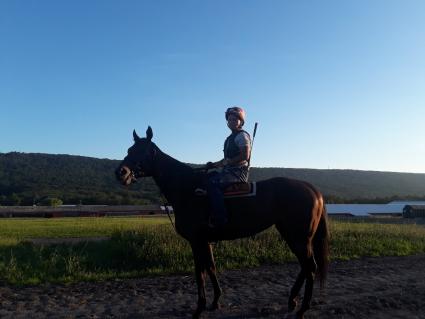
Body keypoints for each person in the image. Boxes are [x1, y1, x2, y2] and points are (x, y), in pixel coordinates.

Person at [205, 106, 252, 228]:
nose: (231, 122)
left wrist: (228, 162)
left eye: (234, 119)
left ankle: (220, 218)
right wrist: (213, 165)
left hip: (238, 172)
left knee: (212, 183)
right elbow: (225, 161)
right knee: (206, 177)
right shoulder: (229, 139)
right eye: (229, 119)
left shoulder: (242, 136)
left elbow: (245, 156)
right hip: (228, 170)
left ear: (241, 122)